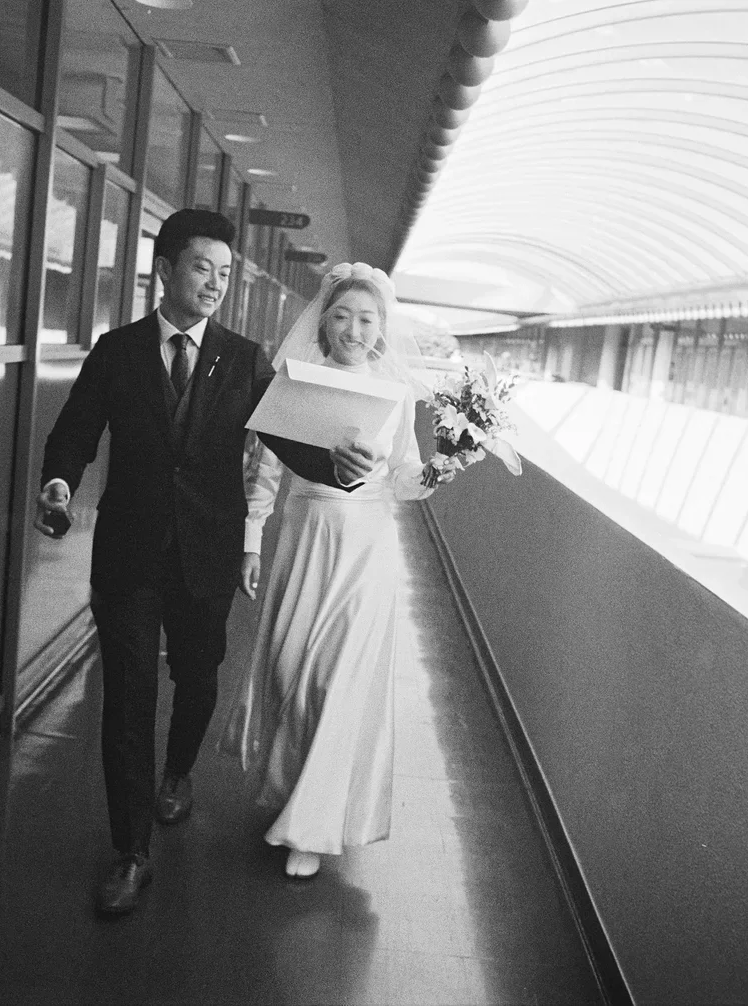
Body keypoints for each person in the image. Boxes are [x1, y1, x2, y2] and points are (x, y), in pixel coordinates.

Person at [35, 209, 383, 916]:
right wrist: (61, 478)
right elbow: (74, 431)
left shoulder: (244, 358)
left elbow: (289, 440)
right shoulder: (117, 351)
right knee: (128, 698)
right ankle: (131, 853)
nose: (216, 284)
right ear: (164, 270)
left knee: (197, 675)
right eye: (203, 269)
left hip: (206, 553)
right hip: (129, 553)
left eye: (225, 273)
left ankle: (179, 771)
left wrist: (340, 467)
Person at [221, 262, 452, 879]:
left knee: (338, 680)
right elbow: (265, 469)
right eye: (343, 315)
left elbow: (403, 476)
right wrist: (252, 540)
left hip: (368, 545)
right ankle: (294, 787)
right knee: (292, 668)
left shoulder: (398, 392)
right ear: (324, 318)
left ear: (382, 327)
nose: (354, 328)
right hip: (305, 533)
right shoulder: (300, 380)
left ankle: (311, 828)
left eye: (367, 319)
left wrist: (437, 471)